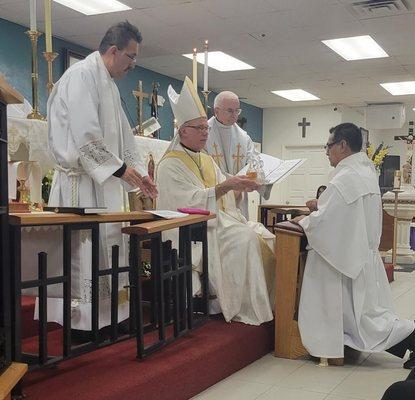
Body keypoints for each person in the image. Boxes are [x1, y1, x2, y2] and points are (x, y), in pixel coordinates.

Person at [46, 21, 157, 330]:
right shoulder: (81, 76)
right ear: (113, 50)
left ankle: (109, 318)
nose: (133, 64)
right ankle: (82, 324)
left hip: (104, 184)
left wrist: (135, 174)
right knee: (85, 253)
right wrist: (122, 170)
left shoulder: (106, 81)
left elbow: (124, 136)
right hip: (79, 185)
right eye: (131, 57)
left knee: (108, 251)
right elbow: (86, 135)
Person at [292, 123, 415, 368]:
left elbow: (327, 223)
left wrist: (305, 221)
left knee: (366, 321)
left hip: (346, 261)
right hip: (360, 256)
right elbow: (346, 214)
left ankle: (411, 338)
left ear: (343, 145)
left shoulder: (345, 179)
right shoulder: (365, 173)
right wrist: (321, 205)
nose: (326, 152)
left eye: (328, 146)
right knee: (366, 317)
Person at [156, 77, 275, 325]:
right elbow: (183, 202)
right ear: (183, 131)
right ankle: (228, 303)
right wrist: (226, 186)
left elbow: (224, 184)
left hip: (216, 221)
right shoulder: (170, 165)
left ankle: (258, 301)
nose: (205, 133)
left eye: (205, 128)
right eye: (199, 128)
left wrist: (242, 184)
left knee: (266, 235)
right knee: (245, 238)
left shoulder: (205, 159)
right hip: (190, 230)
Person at [205, 91, 272, 219]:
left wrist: (253, 180)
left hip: (238, 197)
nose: (235, 115)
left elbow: (254, 163)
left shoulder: (243, 136)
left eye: (237, 111)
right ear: (216, 111)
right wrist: (235, 182)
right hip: (215, 194)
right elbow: (206, 166)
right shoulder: (204, 132)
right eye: (230, 111)